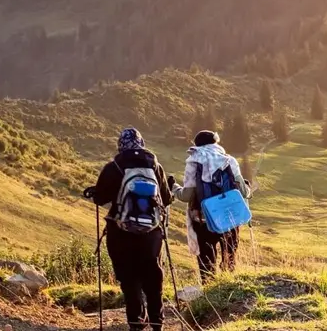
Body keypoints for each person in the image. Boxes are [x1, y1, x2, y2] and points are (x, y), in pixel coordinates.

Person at [88, 128, 173, 331]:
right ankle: (157, 323)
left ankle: (136, 323)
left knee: (129, 277)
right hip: (151, 233)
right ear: (141, 143)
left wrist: (94, 191)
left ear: (121, 145)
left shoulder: (114, 166)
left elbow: (100, 199)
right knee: (153, 276)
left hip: (120, 233)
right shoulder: (155, 166)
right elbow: (167, 198)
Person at [169, 130, 250, 284]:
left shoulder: (193, 162)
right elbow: (244, 193)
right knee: (229, 259)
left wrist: (173, 187)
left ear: (197, 145)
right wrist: (247, 186)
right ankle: (228, 290)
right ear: (215, 142)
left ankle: (209, 293)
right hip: (229, 218)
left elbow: (186, 196)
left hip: (203, 219)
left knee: (207, 262)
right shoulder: (229, 160)